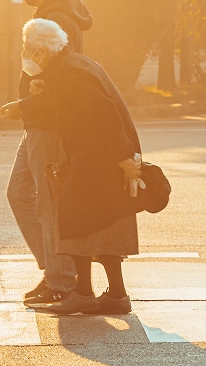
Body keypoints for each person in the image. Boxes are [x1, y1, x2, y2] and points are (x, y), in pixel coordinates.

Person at [11, 18, 143, 315]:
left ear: (42, 50)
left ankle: (83, 293)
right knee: (98, 224)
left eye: (29, 47)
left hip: (97, 155)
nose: (25, 53)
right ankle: (115, 295)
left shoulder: (71, 72)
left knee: (76, 219)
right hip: (95, 154)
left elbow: (103, 112)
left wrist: (124, 158)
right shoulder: (70, 66)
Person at [0, 0, 93, 308]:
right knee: (20, 193)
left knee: (47, 203)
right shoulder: (59, 15)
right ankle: (54, 270)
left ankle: (61, 281)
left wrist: (26, 105)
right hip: (39, 122)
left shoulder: (55, 19)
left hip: (49, 124)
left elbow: (56, 81)